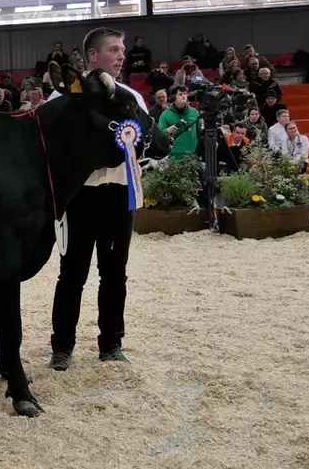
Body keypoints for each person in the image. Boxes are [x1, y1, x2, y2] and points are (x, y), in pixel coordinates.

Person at [49, 27, 156, 369]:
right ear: (92, 56)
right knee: (72, 274)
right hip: (79, 197)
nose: (121, 55)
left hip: (118, 193)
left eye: (122, 49)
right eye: (113, 49)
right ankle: (62, 347)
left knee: (114, 273)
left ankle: (111, 344)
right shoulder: (64, 97)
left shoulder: (131, 97)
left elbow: (143, 141)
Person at [158, 86, 201, 159]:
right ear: (174, 97)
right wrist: (167, 130)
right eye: (180, 94)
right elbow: (159, 134)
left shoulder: (194, 112)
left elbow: (199, 133)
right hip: (175, 157)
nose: (184, 96)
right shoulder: (165, 114)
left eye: (185, 94)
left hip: (193, 156)